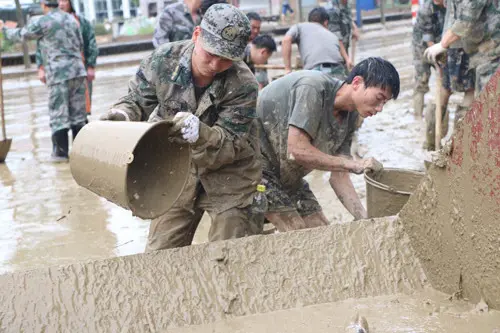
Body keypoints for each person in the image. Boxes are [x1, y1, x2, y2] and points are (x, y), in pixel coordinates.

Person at [99, 4, 262, 251]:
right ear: (197, 35)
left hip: (232, 174)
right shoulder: (162, 61)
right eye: (211, 53)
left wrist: (201, 134)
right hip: (176, 168)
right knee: (161, 255)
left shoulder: (244, 84)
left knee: (230, 256)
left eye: (227, 58)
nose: (216, 64)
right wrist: (122, 116)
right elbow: (135, 101)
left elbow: (231, 143)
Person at [257, 57, 399, 231]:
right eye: (379, 98)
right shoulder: (313, 88)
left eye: (384, 102)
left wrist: (366, 220)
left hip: (287, 176)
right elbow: (296, 150)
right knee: (297, 230)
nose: (380, 108)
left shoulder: (351, 116)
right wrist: (352, 164)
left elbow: (340, 176)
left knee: (320, 229)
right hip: (254, 168)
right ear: (357, 83)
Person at [0, 0, 87, 162]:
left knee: (58, 115)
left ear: (44, 5)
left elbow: (22, 35)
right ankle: (81, 155)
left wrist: (3, 30)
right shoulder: (71, 19)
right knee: (78, 116)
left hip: (59, 73)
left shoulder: (44, 21)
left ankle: (60, 154)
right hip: (78, 71)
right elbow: (81, 44)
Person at [414, 0, 474, 150]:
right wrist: (440, 60)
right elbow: (428, 38)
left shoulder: (452, 4)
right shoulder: (426, 8)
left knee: (468, 90)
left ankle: (457, 144)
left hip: (452, 43)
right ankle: (431, 141)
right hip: (435, 46)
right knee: (434, 86)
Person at [36, 0, 98, 117]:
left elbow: (91, 44)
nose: (61, 4)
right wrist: (41, 67)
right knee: (60, 112)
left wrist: (91, 66)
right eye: (58, 1)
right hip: (56, 72)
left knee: (81, 110)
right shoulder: (47, 22)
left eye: (64, 0)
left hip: (79, 71)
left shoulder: (81, 22)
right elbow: (41, 47)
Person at [424, 0, 499, 96]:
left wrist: (442, 44)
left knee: (489, 99)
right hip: (479, 54)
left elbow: (466, 21)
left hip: (493, 52)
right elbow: (452, 20)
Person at [282, 7, 352, 79]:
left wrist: (288, 69)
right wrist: (347, 59)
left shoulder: (299, 26)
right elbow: (339, 42)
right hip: (338, 71)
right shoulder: (331, 34)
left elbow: (286, 40)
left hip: (315, 72)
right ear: (326, 22)